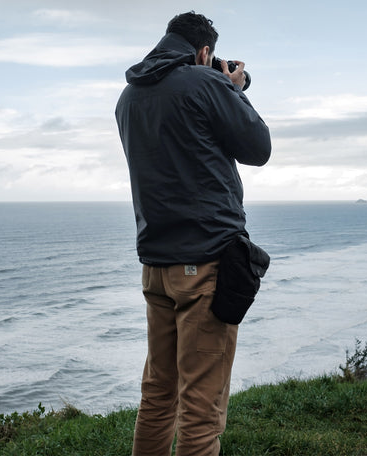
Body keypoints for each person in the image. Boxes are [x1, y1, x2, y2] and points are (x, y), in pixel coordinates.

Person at [115, 11, 271, 456]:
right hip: (204, 264)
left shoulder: (128, 96)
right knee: (201, 412)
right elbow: (259, 148)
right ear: (205, 52)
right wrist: (232, 89)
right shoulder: (206, 83)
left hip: (156, 267)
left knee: (158, 396)